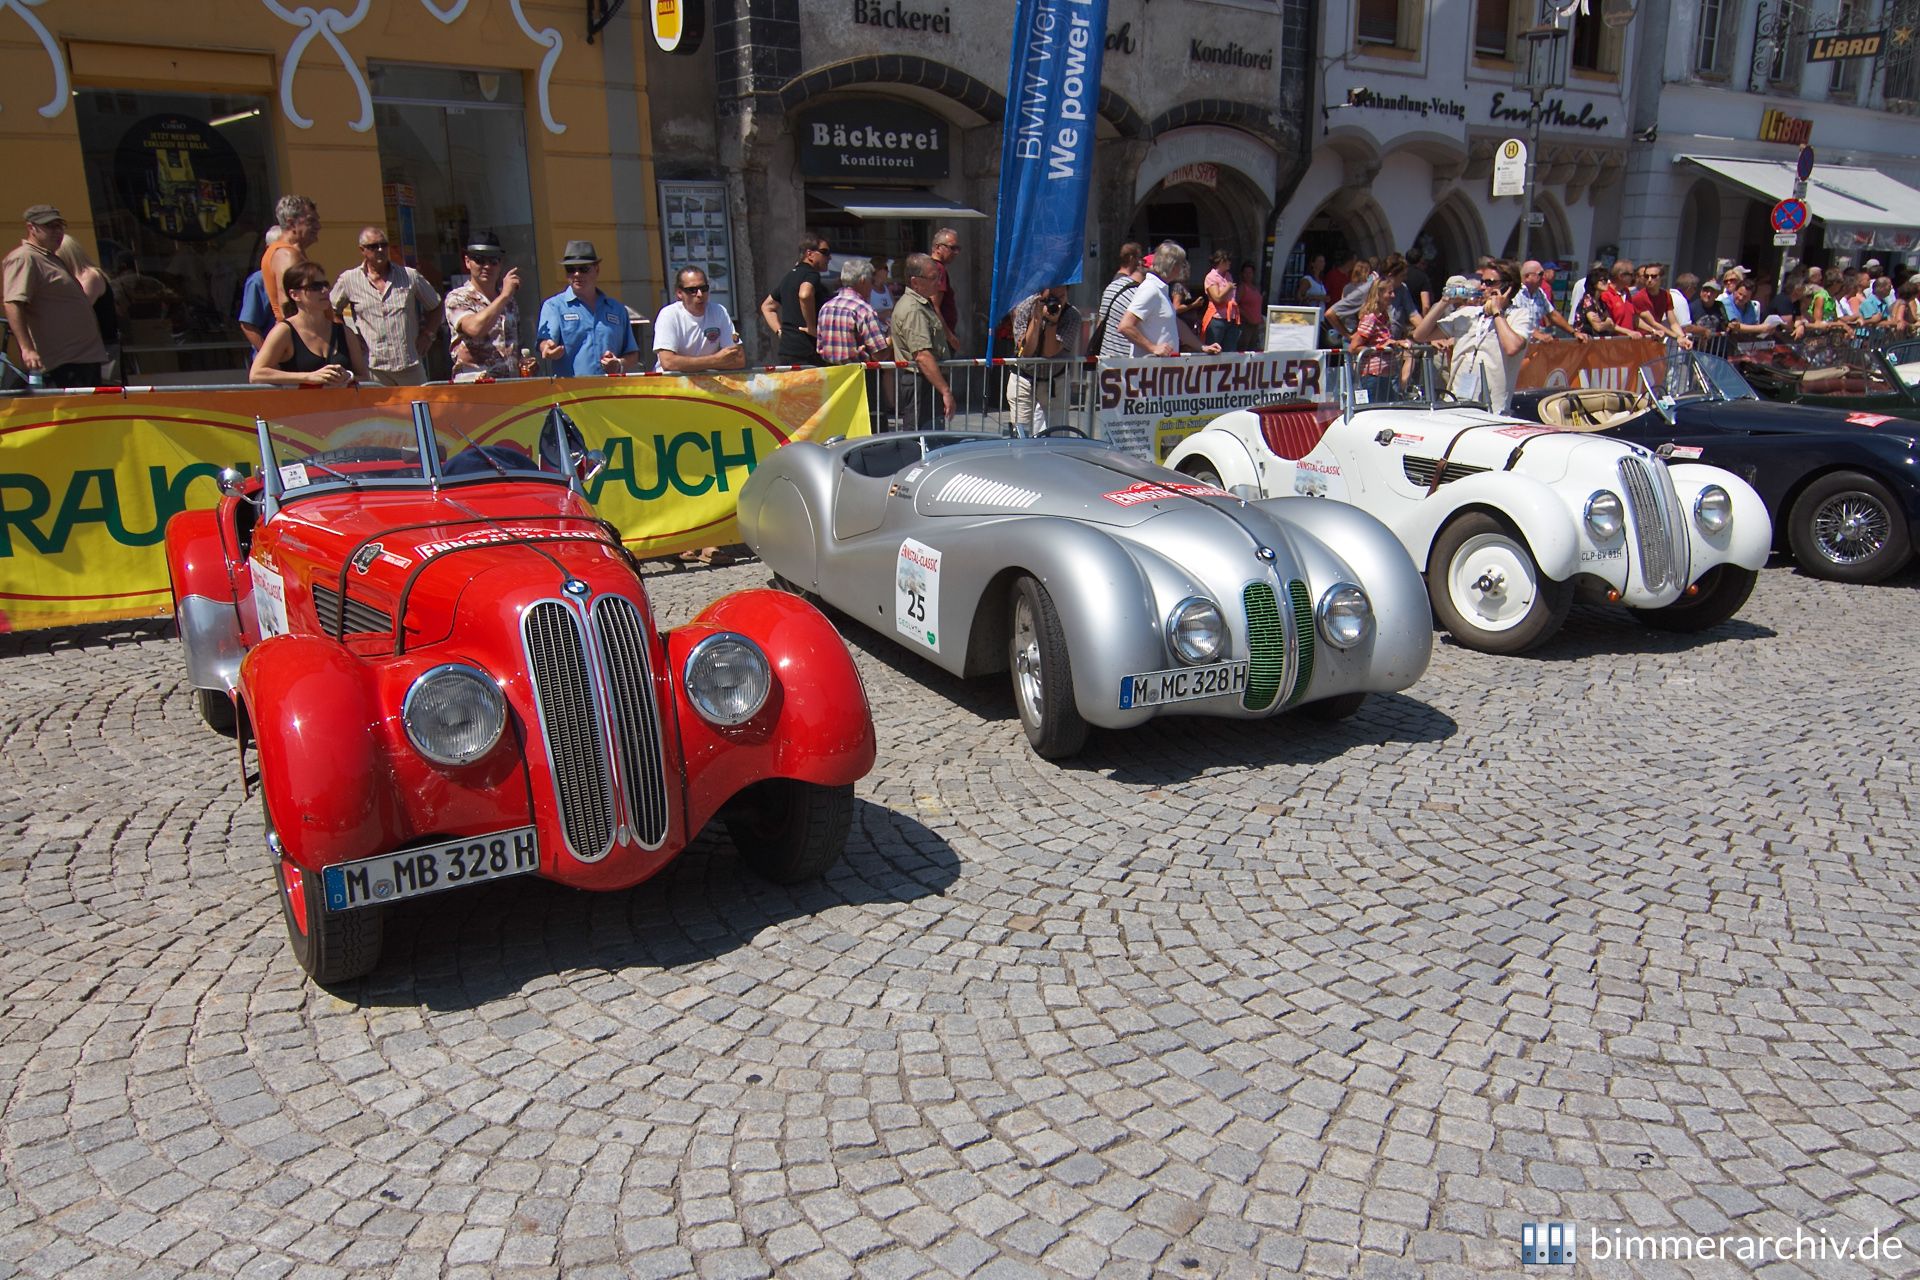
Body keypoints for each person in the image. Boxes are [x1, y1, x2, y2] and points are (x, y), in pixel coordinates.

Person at [3, 205, 107, 388]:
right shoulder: (25, 258)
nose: (57, 231)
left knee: (88, 414)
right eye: (49, 226)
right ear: (31, 228)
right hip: (63, 363)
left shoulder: (50, 258)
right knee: (72, 415)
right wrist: (26, 349)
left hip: (82, 359)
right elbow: (13, 303)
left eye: (60, 226)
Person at [1413, 258, 1532, 413]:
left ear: (1507, 286)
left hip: (1492, 408)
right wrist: (1444, 302)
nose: (1483, 287)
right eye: (1482, 282)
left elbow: (1512, 347)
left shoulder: (1519, 316)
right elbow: (1420, 335)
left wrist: (1497, 312)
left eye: (1489, 283)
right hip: (1457, 401)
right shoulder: (1469, 313)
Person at [330, 225, 441, 385]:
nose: (380, 249)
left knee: (419, 408)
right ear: (362, 250)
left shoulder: (409, 276)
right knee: (379, 411)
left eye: (384, 244)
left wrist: (428, 334)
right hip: (373, 367)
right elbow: (332, 310)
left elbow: (436, 305)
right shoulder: (349, 280)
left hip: (409, 365)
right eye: (374, 246)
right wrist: (351, 339)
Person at [249, 260, 368, 386]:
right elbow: (256, 374)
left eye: (325, 284)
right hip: (298, 404)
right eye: (315, 287)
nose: (324, 290)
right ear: (294, 295)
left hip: (341, 405)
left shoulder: (344, 332)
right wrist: (308, 377)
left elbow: (364, 377)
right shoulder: (284, 331)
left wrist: (349, 376)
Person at [538, 240, 639, 376]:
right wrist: (548, 349)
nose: (577, 274)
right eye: (571, 269)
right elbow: (545, 343)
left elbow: (632, 353)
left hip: (610, 391)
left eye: (583, 268)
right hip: (572, 393)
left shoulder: (617, 309)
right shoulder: (554, 306)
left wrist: (619, 364)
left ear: (597, 269)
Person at [817, 258, 892, 436]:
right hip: (862, 379)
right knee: (871, 428)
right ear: (863, 281)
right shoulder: (863, 309)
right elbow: (879, 353)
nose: (872, 288)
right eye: (871, 282)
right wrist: (891, 338)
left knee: (841, 428)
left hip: (834, 377)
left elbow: (820, 345)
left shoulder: (826, 307)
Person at [443, 231, 524, 381]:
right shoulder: (458, 298)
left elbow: (516, 346)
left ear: (501, 263)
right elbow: (475, 328)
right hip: (475, 386)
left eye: (494, 260)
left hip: (509, 385)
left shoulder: (510, 302)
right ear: (467, 262)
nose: (487, 266)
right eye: (479, 260)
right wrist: (504, 296)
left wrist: (525, 362)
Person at [1116, 242, 1221, 358]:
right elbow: (1125, 326)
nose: (1183, 268)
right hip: (1149, 369)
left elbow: (1176, 324)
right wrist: (1153, 347)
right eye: (1182, 264)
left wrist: (1202, 347)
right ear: (1173, 265)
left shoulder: (1161, 289)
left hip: (1162, 370)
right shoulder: (1150, 289)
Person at [1007, 284, 1082, 432]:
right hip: (1024, 378)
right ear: (1041, 295)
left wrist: (1051, 323)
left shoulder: (1072, 316)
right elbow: (1026, 353)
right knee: (1021, 434)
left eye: (1062, 297)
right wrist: (1036, 320)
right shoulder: (1025, 307)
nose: (1057, 303)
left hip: (1055, 380)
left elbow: (1050, 353)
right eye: (1052, 298)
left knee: (1057, 435)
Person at [892, 252, 954, 427]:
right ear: (915, 282)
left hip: (926, 381)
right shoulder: (913, 310)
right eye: (933, 278)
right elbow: (922, 355)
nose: (938, 282)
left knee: (932, 437)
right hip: (920, 382)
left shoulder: (922, 305)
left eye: (939, 277)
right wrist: (945, 391)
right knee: (920, 440)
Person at [654, 266, 745, 373]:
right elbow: (668, 362)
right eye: (692, 290)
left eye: (704, 289)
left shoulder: (719, 312)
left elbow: (739, 359)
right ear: (679, 293)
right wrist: (715, 360)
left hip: (708, 382)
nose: (699, 294)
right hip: (672, 385)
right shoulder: (669, 315)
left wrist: (689, 364)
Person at [759, 232, 829, 366]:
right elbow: (805, 294)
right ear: (810, 254)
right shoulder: (811, 274)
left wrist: (779, 331)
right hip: (807, 350)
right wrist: (811, 327)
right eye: (824, 252)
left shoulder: (789, 276)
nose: (829, 257)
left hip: (787, 349)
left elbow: (767, 306)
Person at [262, 194, 319, 323]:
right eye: (311, 221)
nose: (318, 226)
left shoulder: (292, 252)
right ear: (291, 223)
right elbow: (287, 306)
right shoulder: (286, 255)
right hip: (303, 336)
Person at [1346, 277, 1401, 402]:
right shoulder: (1370, 319)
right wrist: (1380, 348)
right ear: (1379, 294)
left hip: (1386, 376)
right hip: (1373, 377)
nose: (1393, 295)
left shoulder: (1384, 318)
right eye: (1389, 292)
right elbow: (1353, 347)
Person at [1093, 242, 1146, 359]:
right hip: (1119, 350)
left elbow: (1101, 319)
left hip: (1108, 350)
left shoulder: (1115, 281)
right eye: (1139, 258)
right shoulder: (1125, 283)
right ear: (1132, 258)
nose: (1141, 263)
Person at [237, 226, 281, 353]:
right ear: (269, 250)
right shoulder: (258, 281)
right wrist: (269, 356)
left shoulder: (298, 278)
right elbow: (248, 325)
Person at [1520, 259, 1585, 341]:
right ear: (1527, 276)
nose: (1542, 276)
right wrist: (1539, 334)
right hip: (1516, 345)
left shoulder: (1539, 293)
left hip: (1533, 345)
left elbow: (1553, 314)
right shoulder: (1516, 294)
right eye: (1540, 274)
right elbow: (1515, 322)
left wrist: (1574, 332)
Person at [928, 227, 962, 349]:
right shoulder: (938, 269)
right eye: (952, 248)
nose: (955, 253)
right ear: (938, 248)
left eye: (957, 248)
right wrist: (950, 337)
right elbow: (934, 306)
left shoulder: (930, 267)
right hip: (940, 339)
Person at [1199, 250, 1239, 351]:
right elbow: (1217, 298)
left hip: (1230, 319)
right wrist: (1228, 288)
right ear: (1220, 262)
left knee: (1230, 351)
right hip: (1217, 319)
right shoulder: (1211, 277)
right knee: (1214, 350)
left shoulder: (1228, 276)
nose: (1229, 263)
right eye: (1227, 261)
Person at [1574, 266, 1619, 337]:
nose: (1607, 282)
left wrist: (1605, 323)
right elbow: (1598, 327)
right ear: (1594, 282)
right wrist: (1606, 323)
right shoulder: (1588, 300)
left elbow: (1611, 324)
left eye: (1607, 280)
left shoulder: (1601, 302)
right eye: (1604, 280)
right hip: (1585, 341)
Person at [1235, 262, 1265, 351]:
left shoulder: (1255, 288)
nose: (1248, 275)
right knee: (1243, 349)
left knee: (1254, 349)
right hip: (1246, 324)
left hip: (1256, 325)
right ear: (1242, 274)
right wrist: (1246, 316)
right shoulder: (1242, 288)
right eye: (1245, 273)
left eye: (1250, 273)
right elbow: (1235, 304)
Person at [1402, 247, 1433, 314]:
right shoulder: (1422, 277)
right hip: (1417, 316)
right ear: (1421, 260)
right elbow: (1426, 306)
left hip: (1402, 317)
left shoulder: (1401, 275)